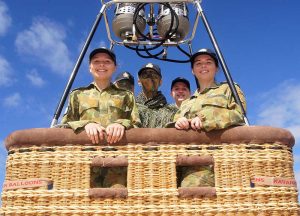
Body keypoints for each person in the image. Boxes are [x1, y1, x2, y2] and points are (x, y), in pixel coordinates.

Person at [61, 48, 141, 188]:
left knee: (118, 203)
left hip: (117, 164)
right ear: (90, 67)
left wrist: (121, 124)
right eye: (96, 61)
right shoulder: (77, 95)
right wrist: (86, 124)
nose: (101, 65)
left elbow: (137, 124)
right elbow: (64, 126)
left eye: (107, 62)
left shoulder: (127, 96)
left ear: (115, 67)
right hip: (84, 163)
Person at [174, 48, 247, 188]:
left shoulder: (229, 88)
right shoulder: (186, 103)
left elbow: (239, 114)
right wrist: (178, 123)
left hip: (223, 160)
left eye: (208, 62)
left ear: (217, 68)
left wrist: (205, 118)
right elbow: (172, 124)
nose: (203, 66)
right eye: (198, 63)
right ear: (192, 70)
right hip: (190, 164)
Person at [136, 63, 177, 128]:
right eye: (145, 75)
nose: (149, 78)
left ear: (160, 82)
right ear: (139, 81)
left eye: (154, 76)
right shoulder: (130, 107)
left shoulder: (172, 110)